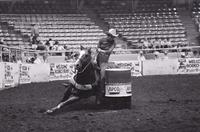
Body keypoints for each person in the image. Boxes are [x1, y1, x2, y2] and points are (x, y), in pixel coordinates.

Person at [96, 28, 119, 104]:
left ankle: (100, 94)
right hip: (97, 57)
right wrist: (99, 50)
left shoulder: (113, 43)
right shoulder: (101, 40)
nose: (111, 38)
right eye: (110, 36)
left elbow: (108, 51)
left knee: (102, 76)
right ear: (108, 35)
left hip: (104, 61)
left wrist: (101, 50)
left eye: (113, 37)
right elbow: (97, 47)